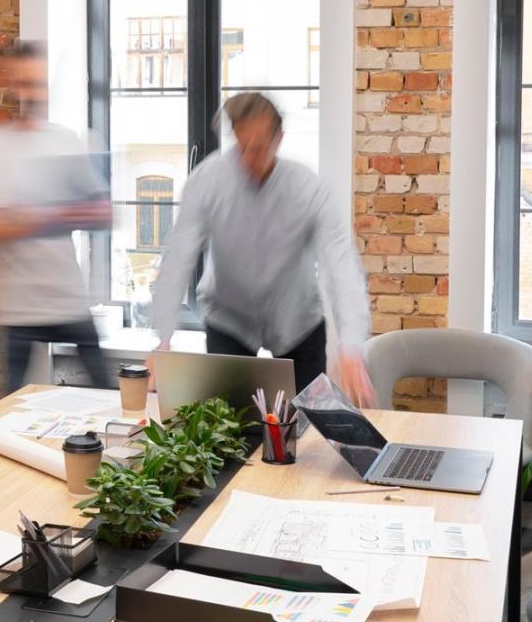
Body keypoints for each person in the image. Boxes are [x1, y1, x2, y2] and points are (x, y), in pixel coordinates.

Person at [150, 91, 376, 406]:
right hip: (229, 320)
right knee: (228, 426)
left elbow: (341, 264)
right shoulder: (206, 182)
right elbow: (178, 257)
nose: (248, 160)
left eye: (258, 149)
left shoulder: (307, 187)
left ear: (278, 139)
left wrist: (351, 346)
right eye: (241, 147)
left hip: (298, 323)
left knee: (305, 426)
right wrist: (163, 337)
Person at [0, 42, 114, 394]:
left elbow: (102, 213)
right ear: (9, 85)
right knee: (7, 407)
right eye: (23, 83)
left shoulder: (65, 140)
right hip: (19, 308)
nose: (31, 94)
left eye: (38, 84)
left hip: (69, 299)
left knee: (106, 397)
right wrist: (46, 216)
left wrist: (29, 217)